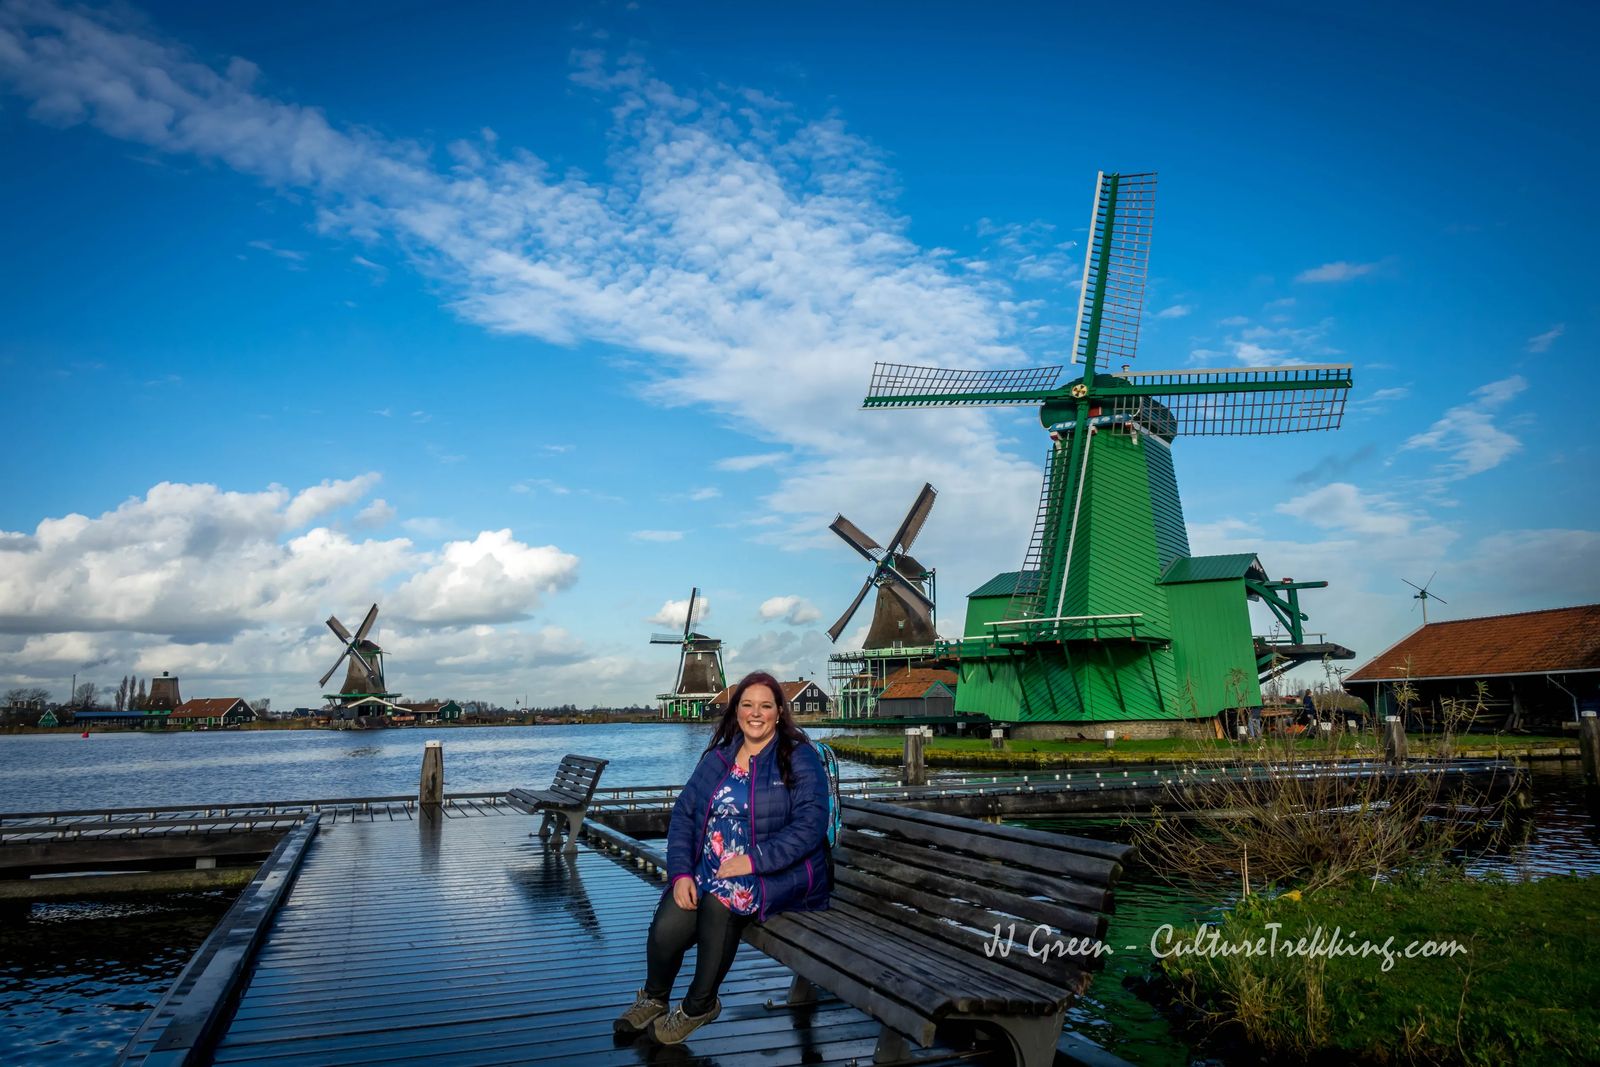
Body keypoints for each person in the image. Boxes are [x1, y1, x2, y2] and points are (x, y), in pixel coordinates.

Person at [614, 670, 833, 1045]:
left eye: (765, 705)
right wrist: (682, 872)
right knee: (671, 919)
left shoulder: (799, 758)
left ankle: (700, 1005)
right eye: (747, 705)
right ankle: (654, 998)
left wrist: (752, 860)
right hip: (712, 867)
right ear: (736, 712)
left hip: (779, 871)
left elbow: (811, 825)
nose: (756, 713)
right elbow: (684, 814)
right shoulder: (719, 758)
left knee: (721, 900)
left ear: (780, 712)